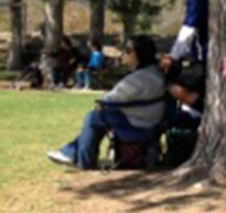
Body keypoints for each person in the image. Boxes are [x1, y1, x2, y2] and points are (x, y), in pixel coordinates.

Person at [46, 36, 166, 169]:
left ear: (139, 54)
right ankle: (71, 152)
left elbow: (108, 100)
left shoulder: (137, 80)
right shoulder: (155, 73)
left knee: (93, 117)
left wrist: (102, 105)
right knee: (99, 116)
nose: (124, 54)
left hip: (137, 124)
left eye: (128, 50)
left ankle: (82, 160)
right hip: (153, 123)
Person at [161, 0, 209, 71]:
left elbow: (189, 29)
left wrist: (173, 56)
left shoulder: (197, 0)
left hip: (204, 57)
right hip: (202, 54)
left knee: (178, 88)